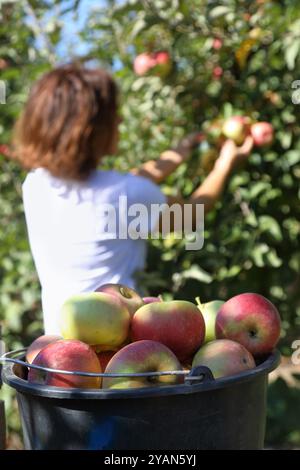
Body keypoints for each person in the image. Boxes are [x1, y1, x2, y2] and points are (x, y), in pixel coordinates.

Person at [13, 64, 253, 334]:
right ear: (90, 128)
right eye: (112, 115)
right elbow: (190, 215)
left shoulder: (35, 183)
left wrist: (179, 152)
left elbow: (121, 185)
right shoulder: (127, 194)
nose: (120, 121)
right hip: (117, 345)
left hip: (58, 346)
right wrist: (225, 164)